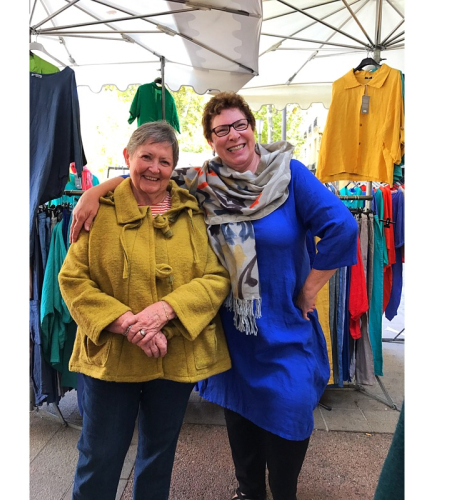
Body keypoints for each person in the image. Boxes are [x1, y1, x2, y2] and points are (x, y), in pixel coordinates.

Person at [70, 93, 359, 500]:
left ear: (253, 128)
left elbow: (342, 228)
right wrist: (95, 191)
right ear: (211, 140)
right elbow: (150, 175)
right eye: (222, 130)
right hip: (232, 330)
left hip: (283, 323)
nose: (233, 135)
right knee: (238, 416)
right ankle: (248, 492)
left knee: (290, 411)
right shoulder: (204, 183)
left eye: (240, 125)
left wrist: (310, 288)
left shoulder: (287, 175)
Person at [58, 121, 232, 500]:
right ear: (128, 157)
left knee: (158, 457)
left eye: (164, 161)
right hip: (111, 360)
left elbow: (217, 277)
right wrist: (125, 323)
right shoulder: (98, 212)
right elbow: (72, 279)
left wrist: (166, 311)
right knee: (99, 456)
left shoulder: (194, 213)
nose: (154, 168)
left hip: (174, 357)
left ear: (173, 168)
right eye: (146, 157)